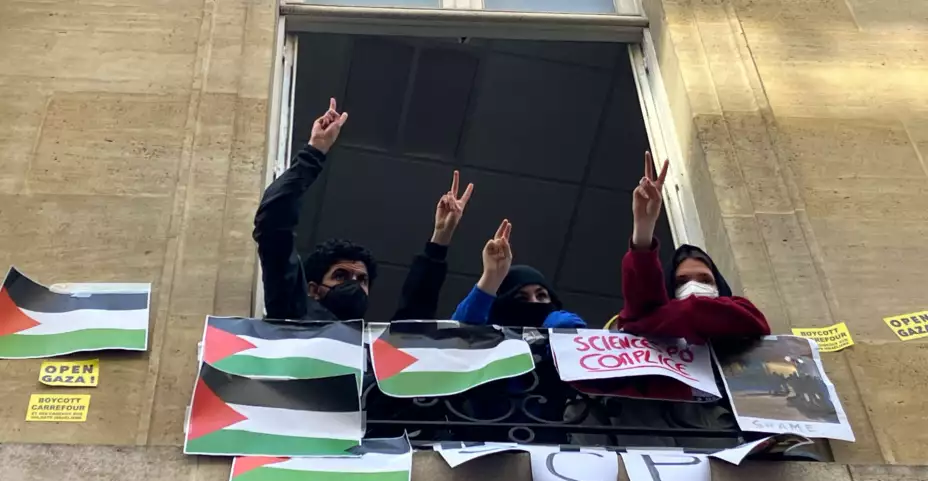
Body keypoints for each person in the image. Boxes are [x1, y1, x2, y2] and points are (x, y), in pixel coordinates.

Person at [254, 98, 474, 322]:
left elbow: (416, 316)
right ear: (313, 290)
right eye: (340, 276)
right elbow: (273, 223)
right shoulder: (294, 314)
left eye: (362, 280)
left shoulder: (374, 351)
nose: (354, 284)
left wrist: (440, 238)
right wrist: (314, 151)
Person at [607, 151, 770, 343]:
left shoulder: (745, 312)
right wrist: (643, 228)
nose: (694, 287)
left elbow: (693, 312)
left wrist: (644, 323)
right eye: (681, 282)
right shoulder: (656, 327)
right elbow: (642, 298)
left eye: (705, 279)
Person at [451, 220, 585, 329]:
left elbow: (570, 326)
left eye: (541, 295)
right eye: (521, 298)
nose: (534, 302)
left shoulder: (561, 332)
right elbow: (459, 333)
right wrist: (491, 276)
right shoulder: (488, 347)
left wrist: (553, 325)